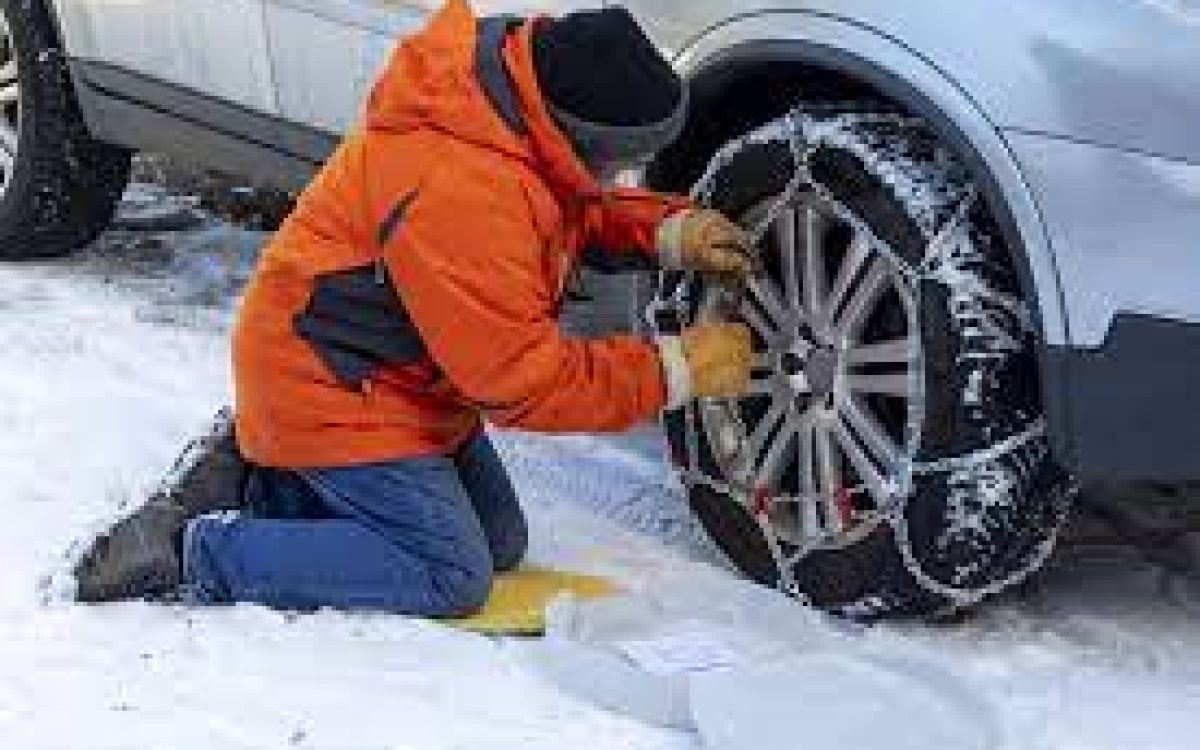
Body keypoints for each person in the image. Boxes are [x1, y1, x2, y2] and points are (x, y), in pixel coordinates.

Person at [75, 0, 755, 616]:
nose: (619, 179)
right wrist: (675, 370)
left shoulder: (515, 102)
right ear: (578, 137)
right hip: (328, 383)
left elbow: (561, 204)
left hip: (398, 378)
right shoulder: (460, 189)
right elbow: (522, 384)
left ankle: (262, 475)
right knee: (450, 573)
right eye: (619, 164)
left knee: (501, 542)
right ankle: (195, 547)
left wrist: (664, 231)